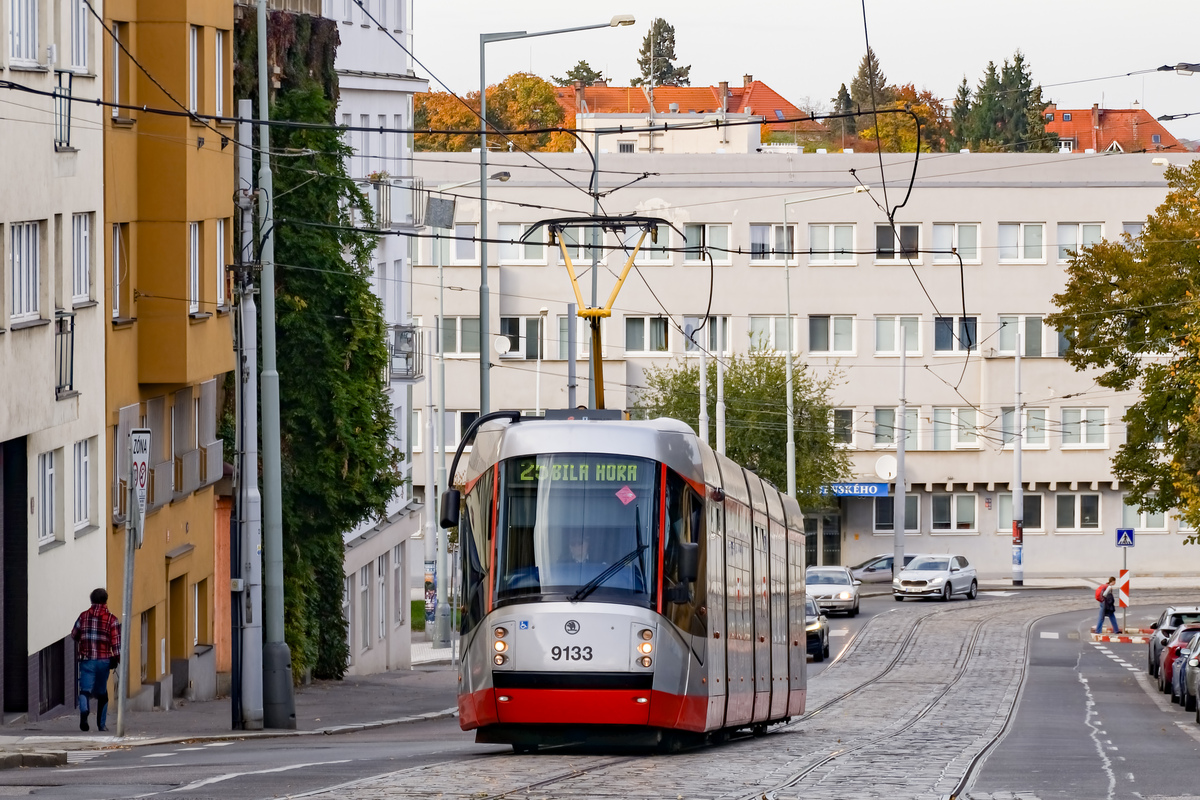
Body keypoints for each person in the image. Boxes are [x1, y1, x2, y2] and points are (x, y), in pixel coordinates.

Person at [72, 588, 121, 732]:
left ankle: (84, 711)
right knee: (102, 693)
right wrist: (117, 659)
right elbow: (116, 644)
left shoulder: (83, 616)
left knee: (84, 690)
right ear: (106, 600)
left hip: (87, 659)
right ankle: (101, 725)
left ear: (91, 600)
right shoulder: (112, 620)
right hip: (103, 661)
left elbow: (74, 634)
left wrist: (83, 639)